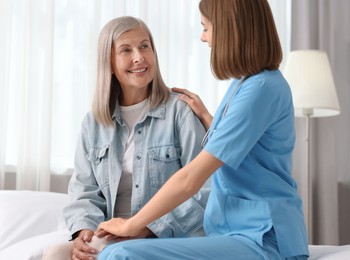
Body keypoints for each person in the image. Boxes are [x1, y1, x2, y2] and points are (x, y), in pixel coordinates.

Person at [97, 0, 309, 259]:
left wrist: (132, 224)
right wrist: (209, 117)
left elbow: (190, 180)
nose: (203, 37)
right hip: (234, 232)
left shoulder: (262, 89)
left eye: (207, 27)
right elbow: (244, 147)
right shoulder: (244, 85)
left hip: (263, 237)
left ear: (232, 30)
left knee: (121, 255)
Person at [42, 16, 209, 260]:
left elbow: (204, 189)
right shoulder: (94, 123)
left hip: (166, 235)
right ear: (109, 62)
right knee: (55, 253)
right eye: (126, 50)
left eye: (144, 46)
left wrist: (147, 227)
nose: (139, 57)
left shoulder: (179, 112)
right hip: (111, 234)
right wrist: (84, 233)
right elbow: (84, 191)